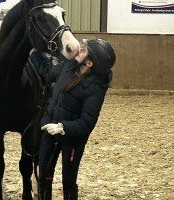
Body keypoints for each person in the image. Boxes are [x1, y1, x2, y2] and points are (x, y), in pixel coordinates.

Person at [30, 38, 116, 200]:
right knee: (44, 175)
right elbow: (48, 73)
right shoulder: (68, 65)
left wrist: (63, 127)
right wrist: (34, 53)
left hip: (72, 138)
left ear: (89, 63)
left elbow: (87, 122)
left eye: (83, 51)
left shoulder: (95, 88)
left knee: (68, 180)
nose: (79, 50)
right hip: (50, 128)